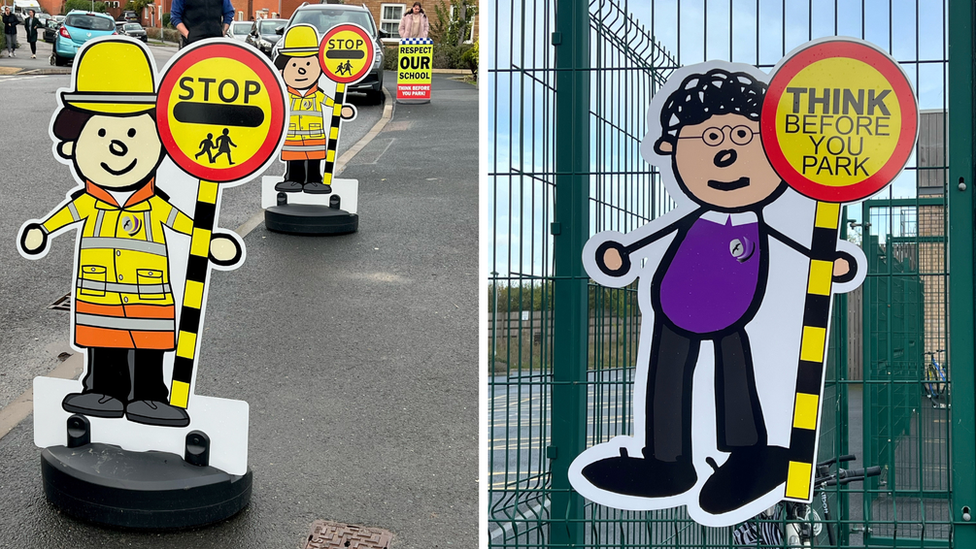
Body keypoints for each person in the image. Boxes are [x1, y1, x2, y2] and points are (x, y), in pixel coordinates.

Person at [576, 67, 857, 515]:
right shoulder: (694, 218)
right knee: (667, 376)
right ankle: (666, 463)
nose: (727, 154)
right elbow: (654, 233)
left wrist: (829, 261)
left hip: (733, 308)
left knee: (736, 371)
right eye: (709, 140)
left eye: (744, 138)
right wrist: (622, 252)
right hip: (674, 306)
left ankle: (749, 455)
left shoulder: (756, 223)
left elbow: (796, 247)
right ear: (671, 149)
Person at [18, 40, 242, 428]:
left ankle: (150, 397)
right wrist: (43, 230)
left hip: (148, 295)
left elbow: (183, 224)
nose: (118, 145)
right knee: (104, 345)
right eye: (101, 131)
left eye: (136, 131)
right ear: (74, 143)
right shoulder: (91, 201)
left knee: (149, 348)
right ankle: (104, 391)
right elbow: (67, 215)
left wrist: (211, 242)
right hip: (98, 293)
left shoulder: (153, 203)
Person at [274, 24, 355, 194]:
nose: (302, 70)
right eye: (294, 65)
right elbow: (275, 107)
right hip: (292, 137)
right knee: (294, 160)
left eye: (309, 63)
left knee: (314, 160)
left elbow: (330, 103)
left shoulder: (317, 94)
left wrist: (341, 110)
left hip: (314, 136)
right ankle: (293, 179)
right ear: (282, 71)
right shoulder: (286, 96)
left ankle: (314, 180)